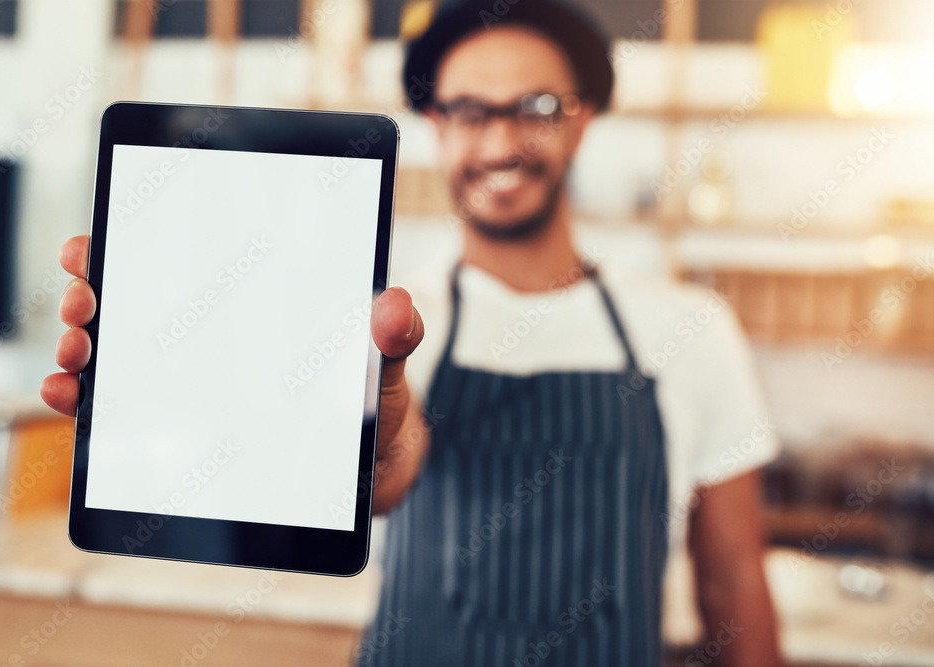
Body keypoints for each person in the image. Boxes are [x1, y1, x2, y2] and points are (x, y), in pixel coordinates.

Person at [42, 0, 782, 664]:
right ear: (437, 127)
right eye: (469, 110)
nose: (499, 141)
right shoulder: (389, 317)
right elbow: (389, 474)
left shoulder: (690, 329)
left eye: (537, 106)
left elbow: (734, 577)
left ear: (581, 119)